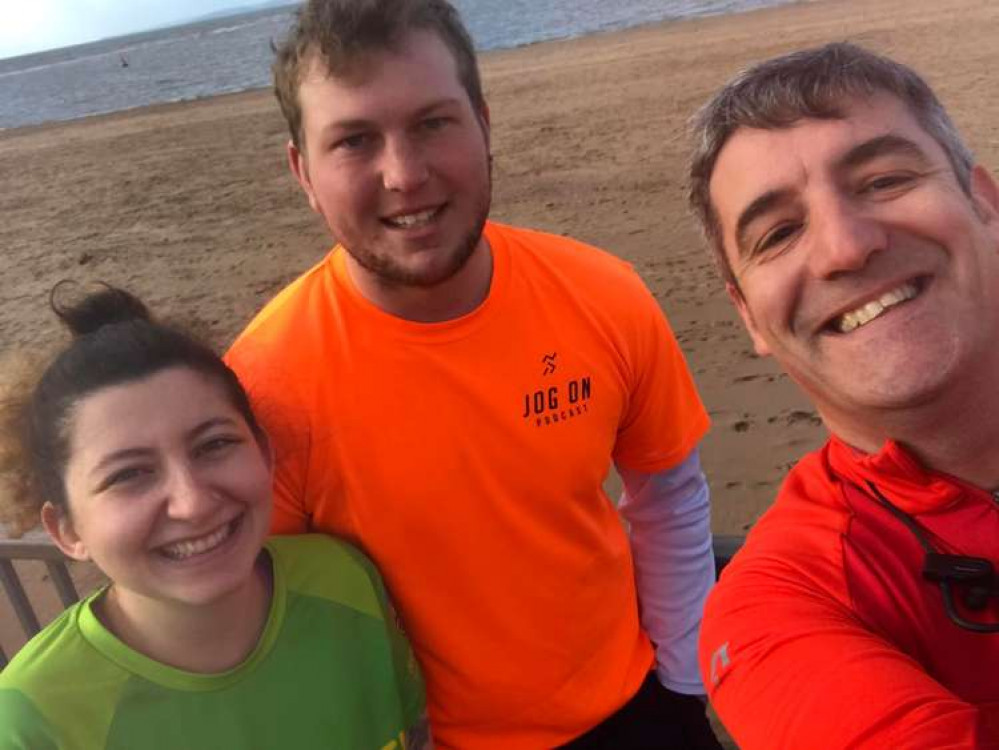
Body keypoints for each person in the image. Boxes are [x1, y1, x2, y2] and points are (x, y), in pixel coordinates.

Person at [225, 0, 722, 747]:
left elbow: (668, 495)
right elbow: (265, 626)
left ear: (484, 124)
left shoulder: (602, 293)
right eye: (354, 140)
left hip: (638, 707)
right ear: (302, 170)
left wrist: (685, 687)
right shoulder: (263, 391)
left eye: (432, 122)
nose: (405, 175)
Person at [687, 42, 999, 749]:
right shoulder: (782, 606)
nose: (844, 247)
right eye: (777, 233)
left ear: (984, 205)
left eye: (882, 180)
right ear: (747, 317)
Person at [0, 286, 427, 749]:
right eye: (129, 474)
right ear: (66, 529)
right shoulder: (34, 721)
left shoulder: (345, 580)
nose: (193, 503)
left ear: (264, 451)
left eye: (214, 445)